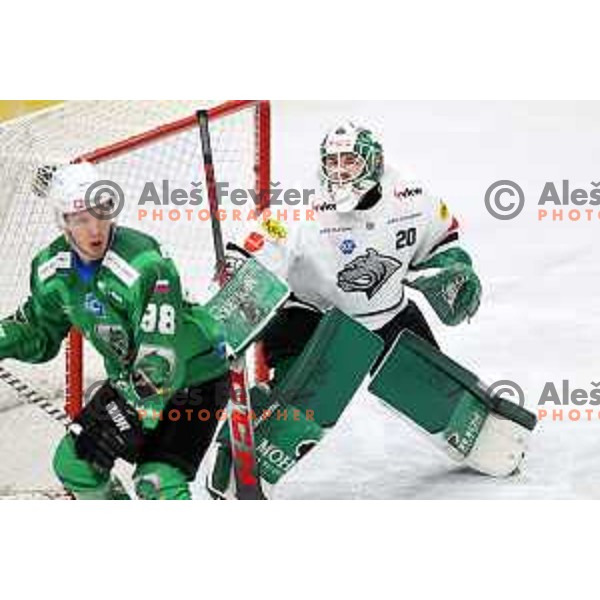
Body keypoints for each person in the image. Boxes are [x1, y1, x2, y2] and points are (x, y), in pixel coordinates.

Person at [0, 163, 229, 499]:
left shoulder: (144, 264)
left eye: (101, 213)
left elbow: (159, 358)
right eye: (81, 220)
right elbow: (38, 329)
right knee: (75, 465)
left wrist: (129, 414)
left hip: (196, 377)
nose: (95, 229)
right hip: (131, 379)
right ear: (63, 223)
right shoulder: (52, 271)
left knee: (156, 482)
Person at [232, 121, 482, 384]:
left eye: (350, 161)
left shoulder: (411, 195)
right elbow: (258, 253)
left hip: (388, 314)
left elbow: (440, 241)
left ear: (374, 163)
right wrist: (242, 286)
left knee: (436, 392)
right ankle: (278, 414)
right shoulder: (299, 203)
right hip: (313, 316)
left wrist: (452, 268)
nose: (340, 171)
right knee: (301, 405)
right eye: (333, 162)